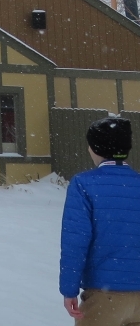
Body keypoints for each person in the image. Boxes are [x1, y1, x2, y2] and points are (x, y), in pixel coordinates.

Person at [60, 117, 140, 325]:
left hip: (104, 296)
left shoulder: (83, 184)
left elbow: (75, 242)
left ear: (95, 148)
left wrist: (69, 289)